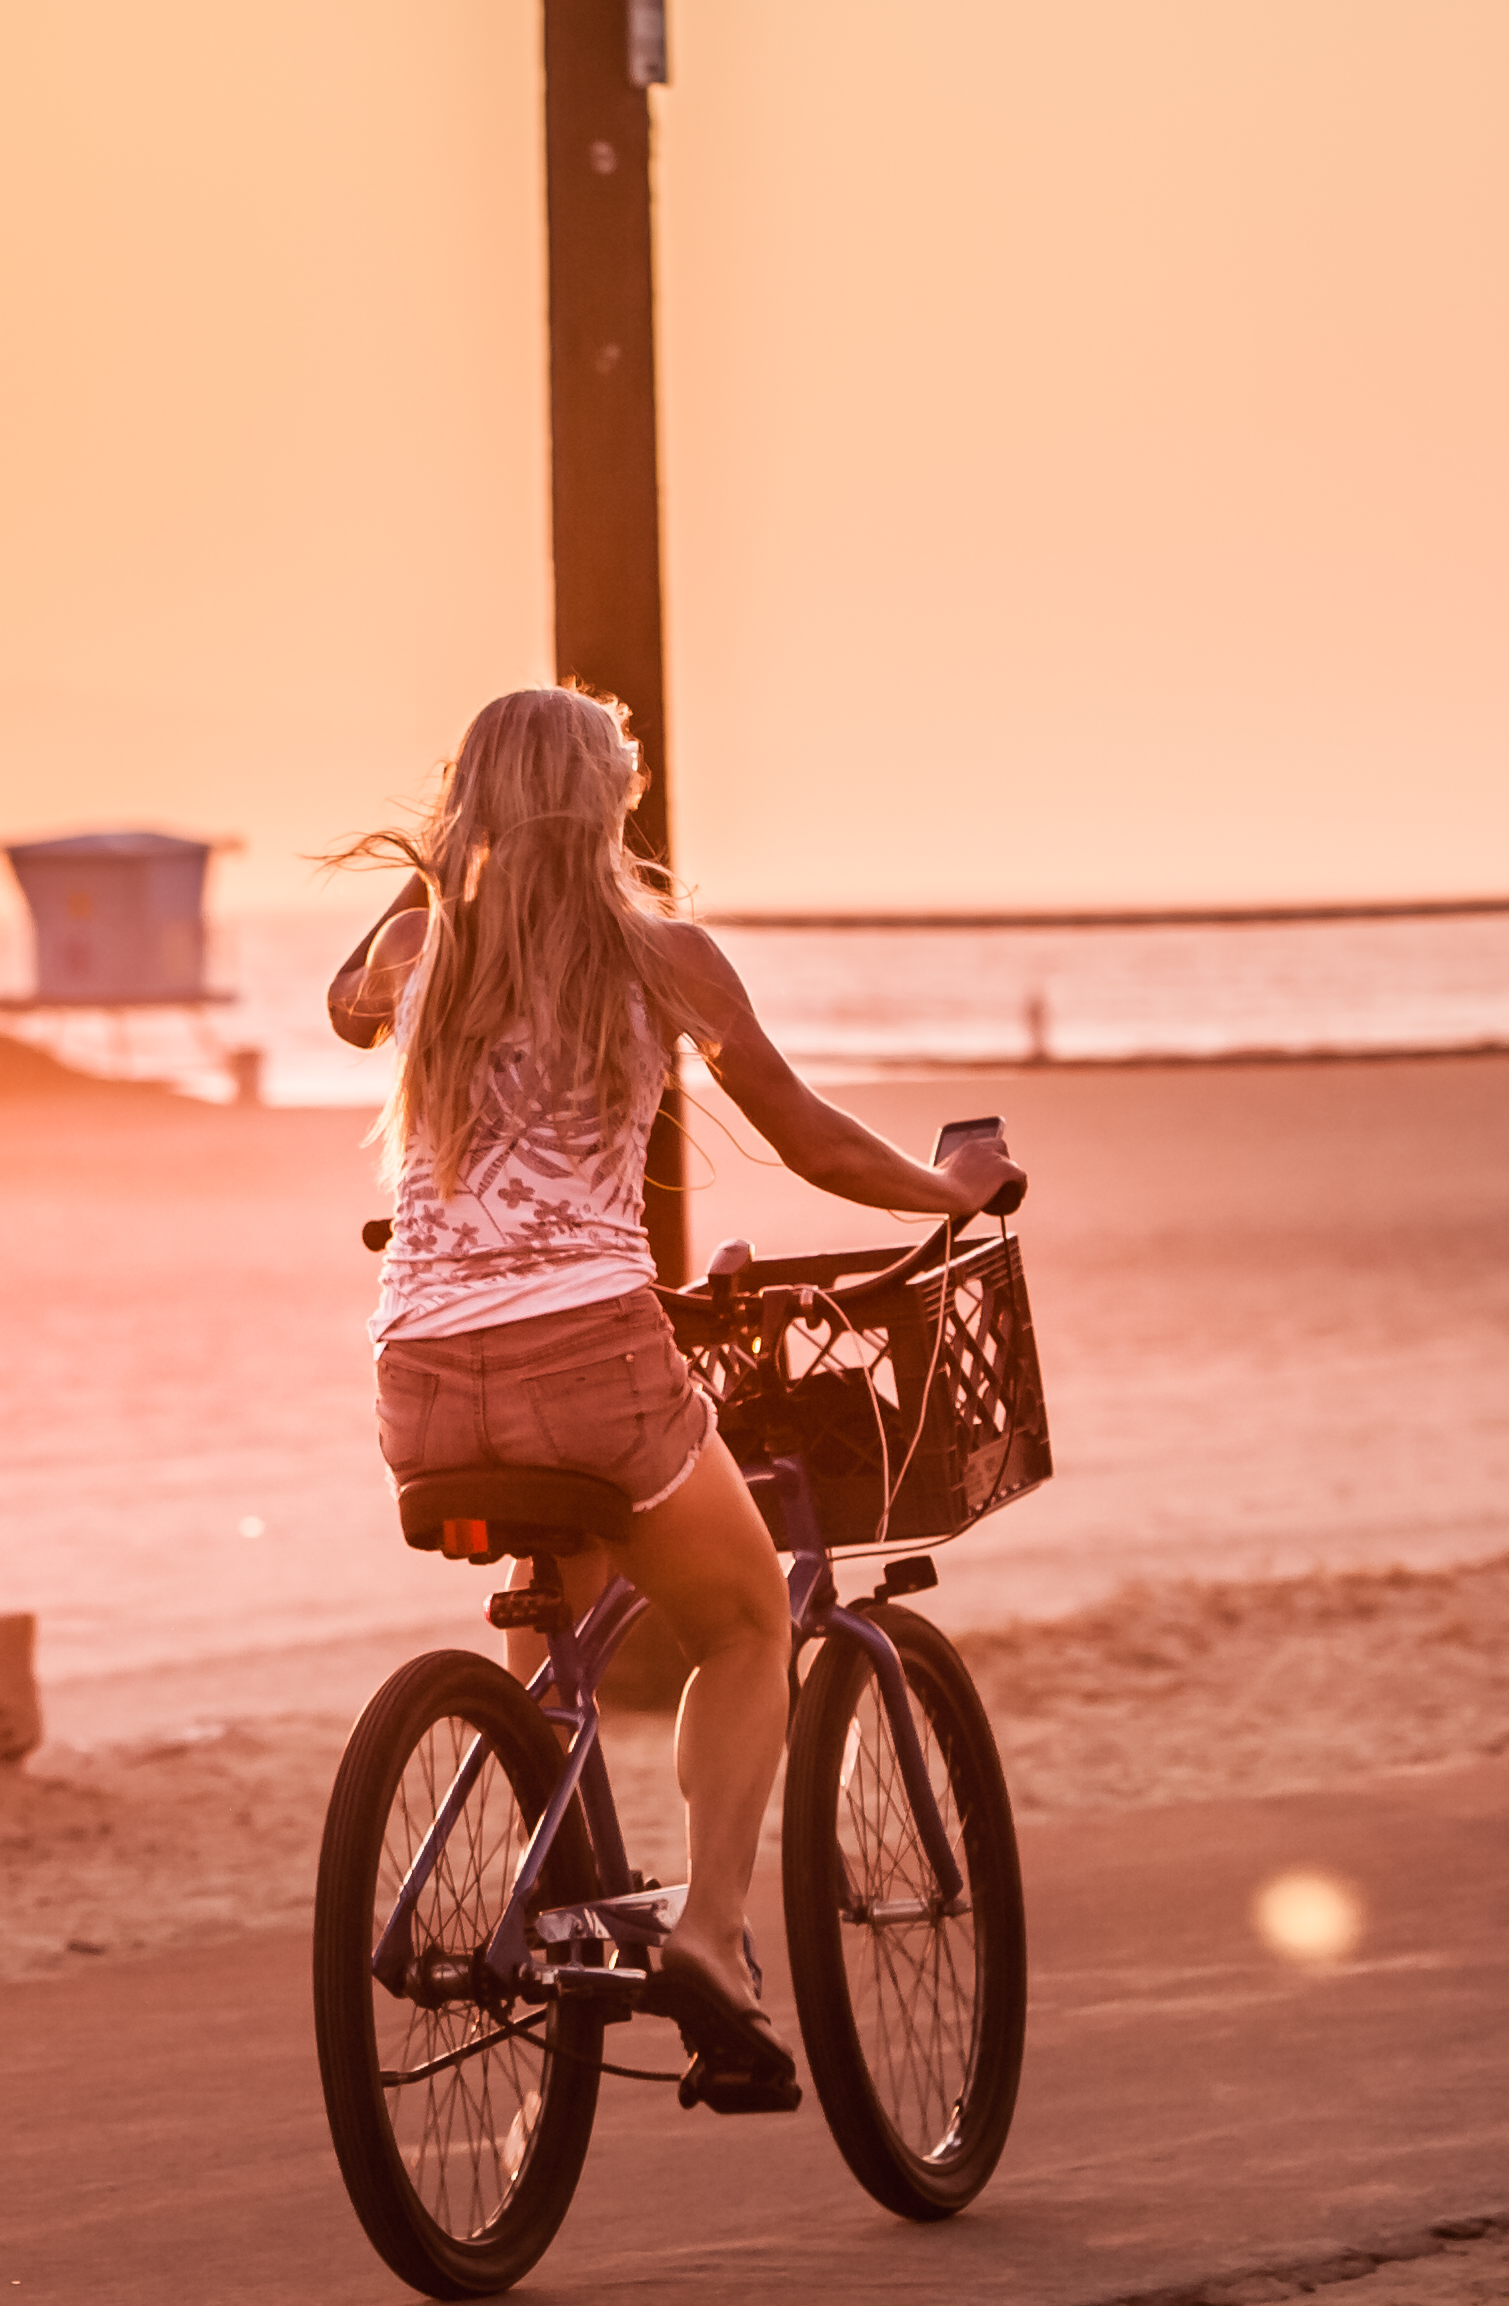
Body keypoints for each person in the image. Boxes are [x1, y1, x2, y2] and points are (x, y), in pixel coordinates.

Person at [326, 684, 1022, 2114]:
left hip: (416, 1385)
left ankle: (547, 1898)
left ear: (470, 804)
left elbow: (343, 1010)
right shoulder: (663, 958)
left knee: (552, 1611)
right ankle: (706, 1937)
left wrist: (440, 872)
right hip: (595, 1368)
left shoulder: (417, 950)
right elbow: (811, 1138)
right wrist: (945, 1189)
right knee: (747, 1616)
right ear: (607, 806)